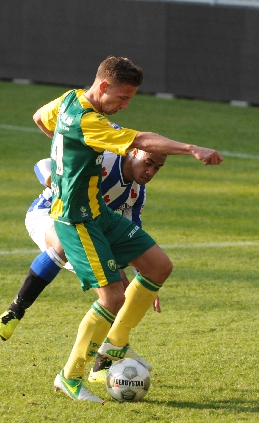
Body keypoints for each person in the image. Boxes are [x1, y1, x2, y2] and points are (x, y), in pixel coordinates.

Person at [33, 55, 223, 402]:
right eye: (122, 97)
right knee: (113, 297)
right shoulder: (86, 120)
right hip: (77, 219)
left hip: (99, 212)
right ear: (103, 86)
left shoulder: (68, 99)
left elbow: (39, 118)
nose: (124, 105)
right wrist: (191, 148)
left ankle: (114, 347)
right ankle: (70, 376)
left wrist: (63, 148)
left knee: (158, 266)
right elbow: (142, 141)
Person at [0, 148, 167, 382]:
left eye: (157, 168)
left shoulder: (136, 193)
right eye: (148, 163)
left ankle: (101, 364)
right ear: (133, 152)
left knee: (121, 295)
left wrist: (144, 279)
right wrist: (59, 186)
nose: (150, 172)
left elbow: (131, 237)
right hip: (48, 214)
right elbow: (43, 164)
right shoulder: (104, 159)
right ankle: (15, 311)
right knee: (64, 245)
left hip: (87, 231)